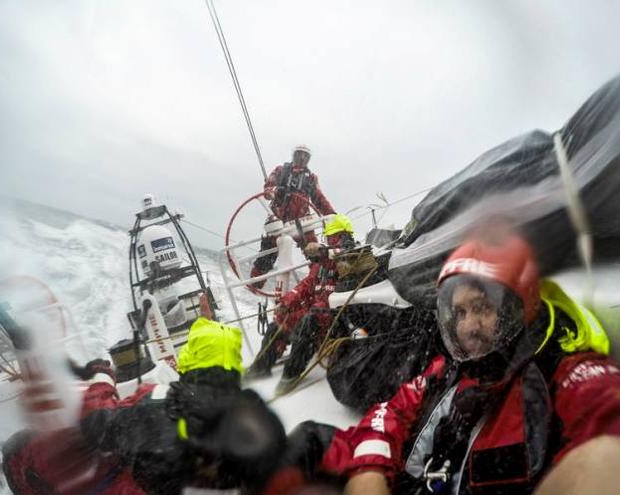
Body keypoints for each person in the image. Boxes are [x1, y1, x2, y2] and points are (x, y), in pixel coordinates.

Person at [315, 231, 620, 495]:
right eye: (459, 313)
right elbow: (390, 411)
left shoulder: (566, 373)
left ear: (520, 305)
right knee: (310, 441)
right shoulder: (450, 369)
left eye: (482, 308)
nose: (467, 327)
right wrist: (369, 470)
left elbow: (606, 422)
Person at [3, 296, 285, 495]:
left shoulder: (156, 404)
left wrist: (102, 378)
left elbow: (96, 426)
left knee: (25, 450)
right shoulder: (251, 414)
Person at [247, 214, 355, 394]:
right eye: (329, 238)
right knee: (280, 321)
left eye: (332, 238)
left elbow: (344, 253)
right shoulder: (320, 264)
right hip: (317, 312)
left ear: (342, 236)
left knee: (308, 322)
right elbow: (306, 285)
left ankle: (290, 376)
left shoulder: (351, 257)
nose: (330, 241)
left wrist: (323, 249)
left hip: (334, 319)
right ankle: (260, 368)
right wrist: (288, 300)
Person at [250, 145, 336, 288]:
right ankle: (254, 285)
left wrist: (332, 215)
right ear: (294, 156)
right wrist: (270, 192)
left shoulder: (311, 179)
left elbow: (319, 199)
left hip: (301, 223)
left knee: (314, 253)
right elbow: (269, 186)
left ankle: (319, 285)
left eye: (305, 156)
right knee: (266, 256)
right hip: (279, 221)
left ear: (308, 159)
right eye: (299, 155)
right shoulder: (280, 171)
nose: (302, 158)